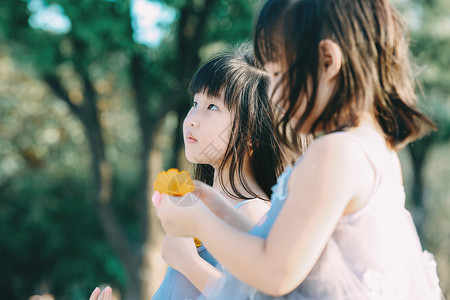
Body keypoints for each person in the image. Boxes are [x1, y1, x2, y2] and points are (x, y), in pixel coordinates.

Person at [154, 0, 443, 299]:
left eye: (278, 74)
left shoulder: (336, 152)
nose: (274, 95)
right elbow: (281, 247)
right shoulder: (376, 149)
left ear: (328, 61)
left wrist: (196, 221)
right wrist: (219, 209)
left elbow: (274, 273)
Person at [150, 47, 301, 299]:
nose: (191, 119)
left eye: (211, 107)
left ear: (252, 132)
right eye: (195, 103)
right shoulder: (204, 210)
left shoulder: (252, 212)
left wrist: (187, 261)